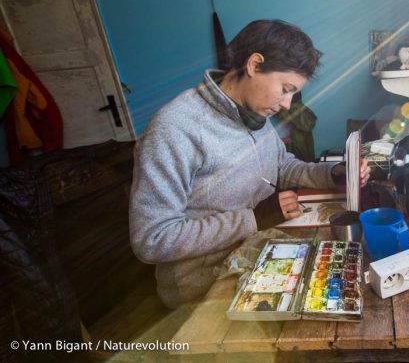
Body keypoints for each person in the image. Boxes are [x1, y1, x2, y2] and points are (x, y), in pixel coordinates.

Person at [129, 19, 369, 307]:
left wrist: (332, 174)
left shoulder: (253, 112)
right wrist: (253, 219)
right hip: (204, 289)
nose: (287, 105)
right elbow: (152, 239)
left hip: (258, 256)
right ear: (255, 65)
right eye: (285, 88)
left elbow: (282, 166)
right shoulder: (174, 129)